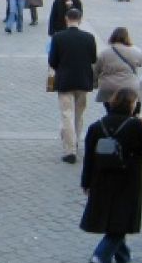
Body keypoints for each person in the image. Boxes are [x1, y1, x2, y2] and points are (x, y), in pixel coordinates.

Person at [80, 88, 142, 263]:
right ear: (131, 105)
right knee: (119, 226)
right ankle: (99, 257)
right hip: (127, 182)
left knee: (116, 224)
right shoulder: (136, 126)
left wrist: (86, 183)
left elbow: (89, 158)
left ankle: (124, 259)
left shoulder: (96, 126)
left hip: (102, 181)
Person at [49, 8, 98, 164]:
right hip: (83, 80)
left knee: (66, 114)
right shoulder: (89, 37)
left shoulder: (58, 37)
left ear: (66, 19)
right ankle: (75, 141)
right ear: (80, 19)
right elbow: (93, 58)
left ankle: (70, 150)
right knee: (79, 114)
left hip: (65, 80)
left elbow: (52, 61)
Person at [94, 27, 142, 106]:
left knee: (110, 109)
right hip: (130, 86)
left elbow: (97, 69)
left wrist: (95, 82)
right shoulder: (136, 51)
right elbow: (141, 62)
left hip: (109, 87)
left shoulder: (104, 53)